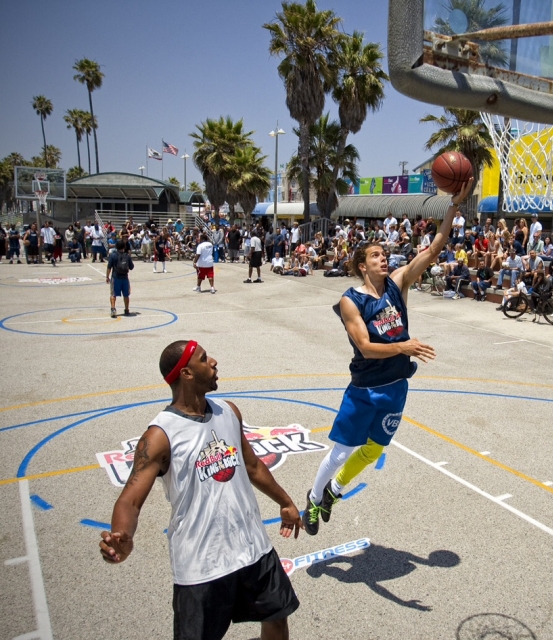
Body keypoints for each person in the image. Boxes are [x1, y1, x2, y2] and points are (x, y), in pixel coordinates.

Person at [301, 179, 473, 536]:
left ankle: (335, 490)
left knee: (375, 448)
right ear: (362, 265)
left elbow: (435, 247)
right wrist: (404, 347)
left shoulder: (398, 283)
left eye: (384, 254)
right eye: (376, 256)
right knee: (340, 452)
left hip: (396, 386)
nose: (384, 259)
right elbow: (364, 346)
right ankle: (314, 498)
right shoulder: (352, 300)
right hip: (365, 388)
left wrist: (453, 205)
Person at [99, 340, 303, 639]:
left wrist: (285, 502)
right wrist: (122, 535)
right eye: (204, 358)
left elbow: (252, 466)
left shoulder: (228, 411)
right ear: (187, 374)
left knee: (277, 618)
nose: (214, 361)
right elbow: (130, 499)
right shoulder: (160, 435)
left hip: (252, 547)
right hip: (201, 562)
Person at [106, 240, 134, 318]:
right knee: (126, 295)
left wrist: (107, 277)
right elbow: (132, 267)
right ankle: (126, 309)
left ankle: (113, 309)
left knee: (113, 294)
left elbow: (109, 267)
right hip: (125, 278)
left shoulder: (113, 255)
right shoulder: (127, 256)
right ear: (124, 247)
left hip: (115, 277)